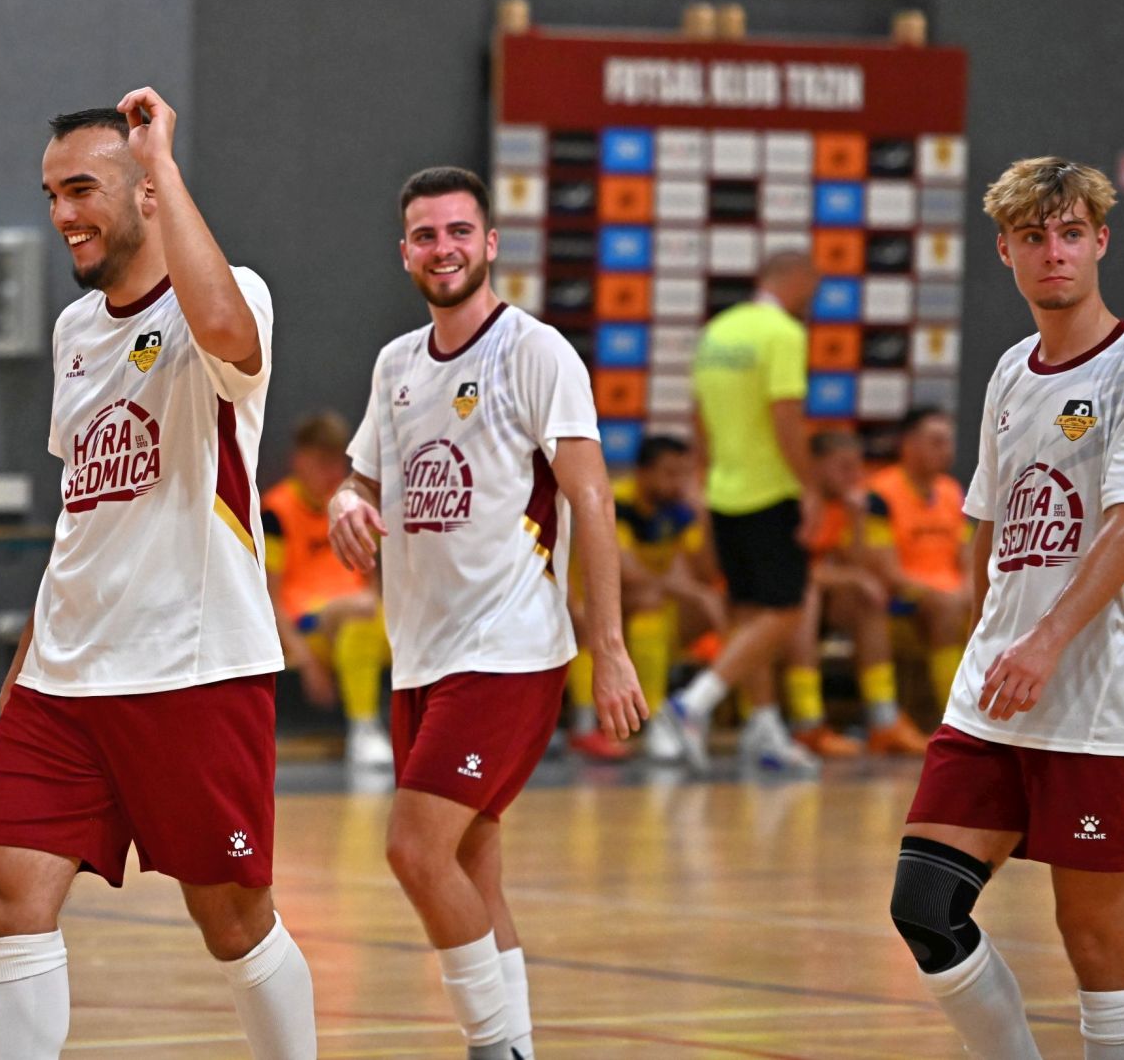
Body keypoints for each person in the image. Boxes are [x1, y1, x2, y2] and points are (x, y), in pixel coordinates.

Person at [0, 90, 316, 1060]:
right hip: (65, 678)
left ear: (147, 190)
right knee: (6, 894)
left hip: (192, 667)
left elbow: (228, 331)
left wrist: (161, 159)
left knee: (233, 916)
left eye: (82, 189)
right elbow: (85, 512)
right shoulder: (75, 331)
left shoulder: (231, 296)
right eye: (50, 194)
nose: (61, 214)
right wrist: (32, 654)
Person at [327, 166, 646, 1060]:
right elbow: (361, 478)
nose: (445, 249)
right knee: (469, 865)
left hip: (508, 651)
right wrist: (344, 503)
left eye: (460, 231)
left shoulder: (535, 352)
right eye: (427, 235)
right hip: (421, 655)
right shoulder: (396, 364)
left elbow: (592, 499)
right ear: (404, 252)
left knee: (414, 851)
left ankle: (494, 1046)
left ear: (491, 243)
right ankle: (518, 1045)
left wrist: (608, 646)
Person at [890, 158, 1124, 1060]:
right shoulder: (1009, 371)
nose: (1054, 252)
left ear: (1100, 240)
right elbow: (987, 527)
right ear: (1006, 250)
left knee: (1098, 942)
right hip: (995, 693)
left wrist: (1045, 640)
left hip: (1098, 697)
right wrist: (983, 644)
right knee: (925, 904)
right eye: (1034, 237)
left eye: (1071, 233)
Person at [649, 250, 824, 773]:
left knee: (748, 615)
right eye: (813, 286)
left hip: (723, 492)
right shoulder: (784, 334)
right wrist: (809, 488)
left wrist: (703, 479)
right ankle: (691, 705)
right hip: (769, 492)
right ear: (796, 279)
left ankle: (764, 727)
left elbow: (699, 416)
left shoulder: (717, 333)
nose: (814, 298)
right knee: (786, 611)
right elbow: (786, 416)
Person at [566, 434, 724, 763]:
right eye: (670, 473)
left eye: (684, 473)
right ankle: (585, 727)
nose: (678, 482)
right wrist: (692, 592)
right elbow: (626, 573)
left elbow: (706, 571)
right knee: (626, 610)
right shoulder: (617, 502)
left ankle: (651, 720)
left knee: (664, 607)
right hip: (578, 604)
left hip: (631, 606)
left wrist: (702, 515)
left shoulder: (677, 509)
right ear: (643, 472)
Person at [781, 432, 931, 758]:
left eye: (857, 467)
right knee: (806, 595)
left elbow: (858, 566)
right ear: (815, 466)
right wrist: (851, 577)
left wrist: (858, 522)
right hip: (778, 608)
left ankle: (883, 720)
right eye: (844, 467)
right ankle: (808, 723)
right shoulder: (792, 501)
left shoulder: (856, 504)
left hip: (826, 603)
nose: (854, 476)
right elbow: (793, 574)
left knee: (867, 599)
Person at [262, 410, 392, 767]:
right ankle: (364, 728)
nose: (333, 473)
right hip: (308, 623)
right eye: (323, 462)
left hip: (362, 615)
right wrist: (304, 659)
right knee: (359, 614)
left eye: (338, 462)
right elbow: (268, 598)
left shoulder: (350, 504)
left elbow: (372, 580)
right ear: (300, 460)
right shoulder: (277, 512)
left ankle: (377, 731)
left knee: (367, 622)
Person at [863, 405, 973, 717]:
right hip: (902, 597)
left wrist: (967, 591)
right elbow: (887, 571)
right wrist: (943, 595)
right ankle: (957, 720)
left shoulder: (952, 491)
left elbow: (969, 557)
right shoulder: (880, 493)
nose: (946, 450)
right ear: (908, 444)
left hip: (952, 594)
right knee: (946, 609)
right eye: (936, 441)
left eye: (949, 441)